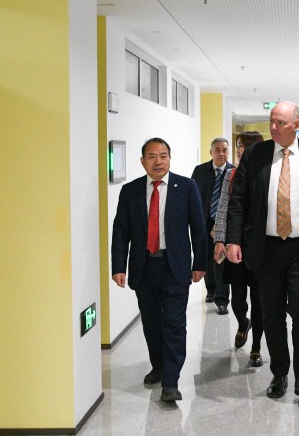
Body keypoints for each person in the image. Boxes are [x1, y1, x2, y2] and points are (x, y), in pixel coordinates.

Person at [225, 101, 299, 406]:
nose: (273, 127)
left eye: (280, 122)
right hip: (266, 247)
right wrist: (233, 240)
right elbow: (239, 201)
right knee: (272, 313)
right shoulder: (256, 154)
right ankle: (279, 373)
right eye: (271, 121)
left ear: (296, 124)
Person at [111, 138, 207, 403]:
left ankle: (171, 382)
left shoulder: (186, 187)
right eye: (152, 157)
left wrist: (200, 263)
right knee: (151, 323)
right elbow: (121, 231)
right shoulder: (130, 191)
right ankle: (159, 366)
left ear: (170, 159)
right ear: (142, 161)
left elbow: (199, 228)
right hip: (144, 267)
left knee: (175, 324)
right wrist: (118, 266)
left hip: (174, 266)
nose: (158, 162)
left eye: (163, 156)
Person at [213, 131, 266, 367]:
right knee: (237, 298)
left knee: (259, 299)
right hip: (236, 242)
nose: (239, 152)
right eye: (238, 148)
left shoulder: (268, 172)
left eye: (243, 148)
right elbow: (223, 208)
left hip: (262, 246)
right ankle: (243, 323)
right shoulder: (231, 174)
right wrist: (220, 240)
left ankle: (256, 348)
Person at [191, 138, 234, 315]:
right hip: (204, 221)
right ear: (211, 152)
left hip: (224, 223)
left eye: (224, 150)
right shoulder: (200, 171)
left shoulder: (234, 172)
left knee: (221, 260)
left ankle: (222, 300)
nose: (221, 153)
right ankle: (211, 289)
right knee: (207, 257)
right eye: (217, 150)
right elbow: (192, 196)